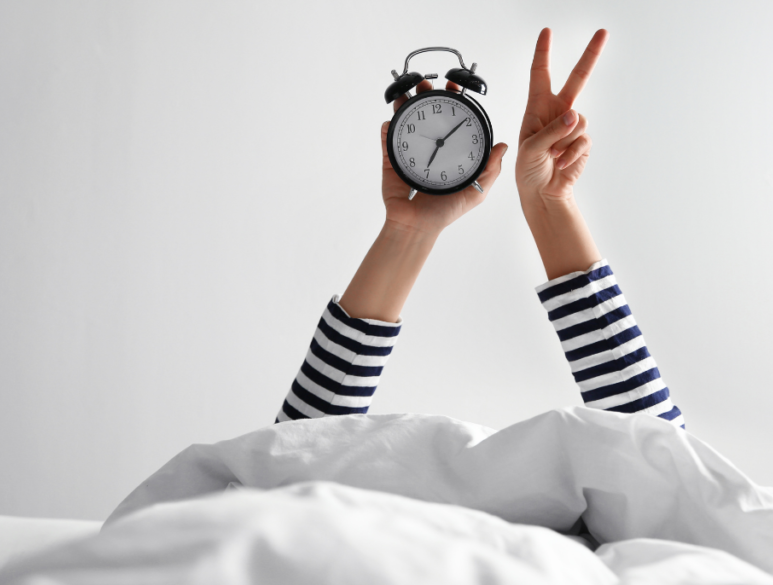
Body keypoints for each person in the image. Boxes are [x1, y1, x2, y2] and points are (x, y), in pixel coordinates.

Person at [275, 29, 684, 429]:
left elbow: (292, 452)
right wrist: (411, 227)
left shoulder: (288, 492)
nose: (436, 145)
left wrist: (550, 204)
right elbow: (661, 458)